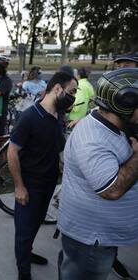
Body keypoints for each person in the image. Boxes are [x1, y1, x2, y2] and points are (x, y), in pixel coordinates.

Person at [57, 68, 138, 280]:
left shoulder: (114, 124)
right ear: (126, 103)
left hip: (100, 238)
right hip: (91, 242)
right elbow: (112, 190)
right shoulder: (93, 140)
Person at [7, 72, 77, 280]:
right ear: (57, 89)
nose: (73, 97)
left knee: (36, 223)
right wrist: (19, 187)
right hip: (30, 186)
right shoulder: (29, 117)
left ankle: (26, 253)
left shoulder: (59, 115)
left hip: (48, 184)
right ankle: (23, 270)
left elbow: (57, 147)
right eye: (71, 92)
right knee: (24, 230)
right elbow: (12, 152)